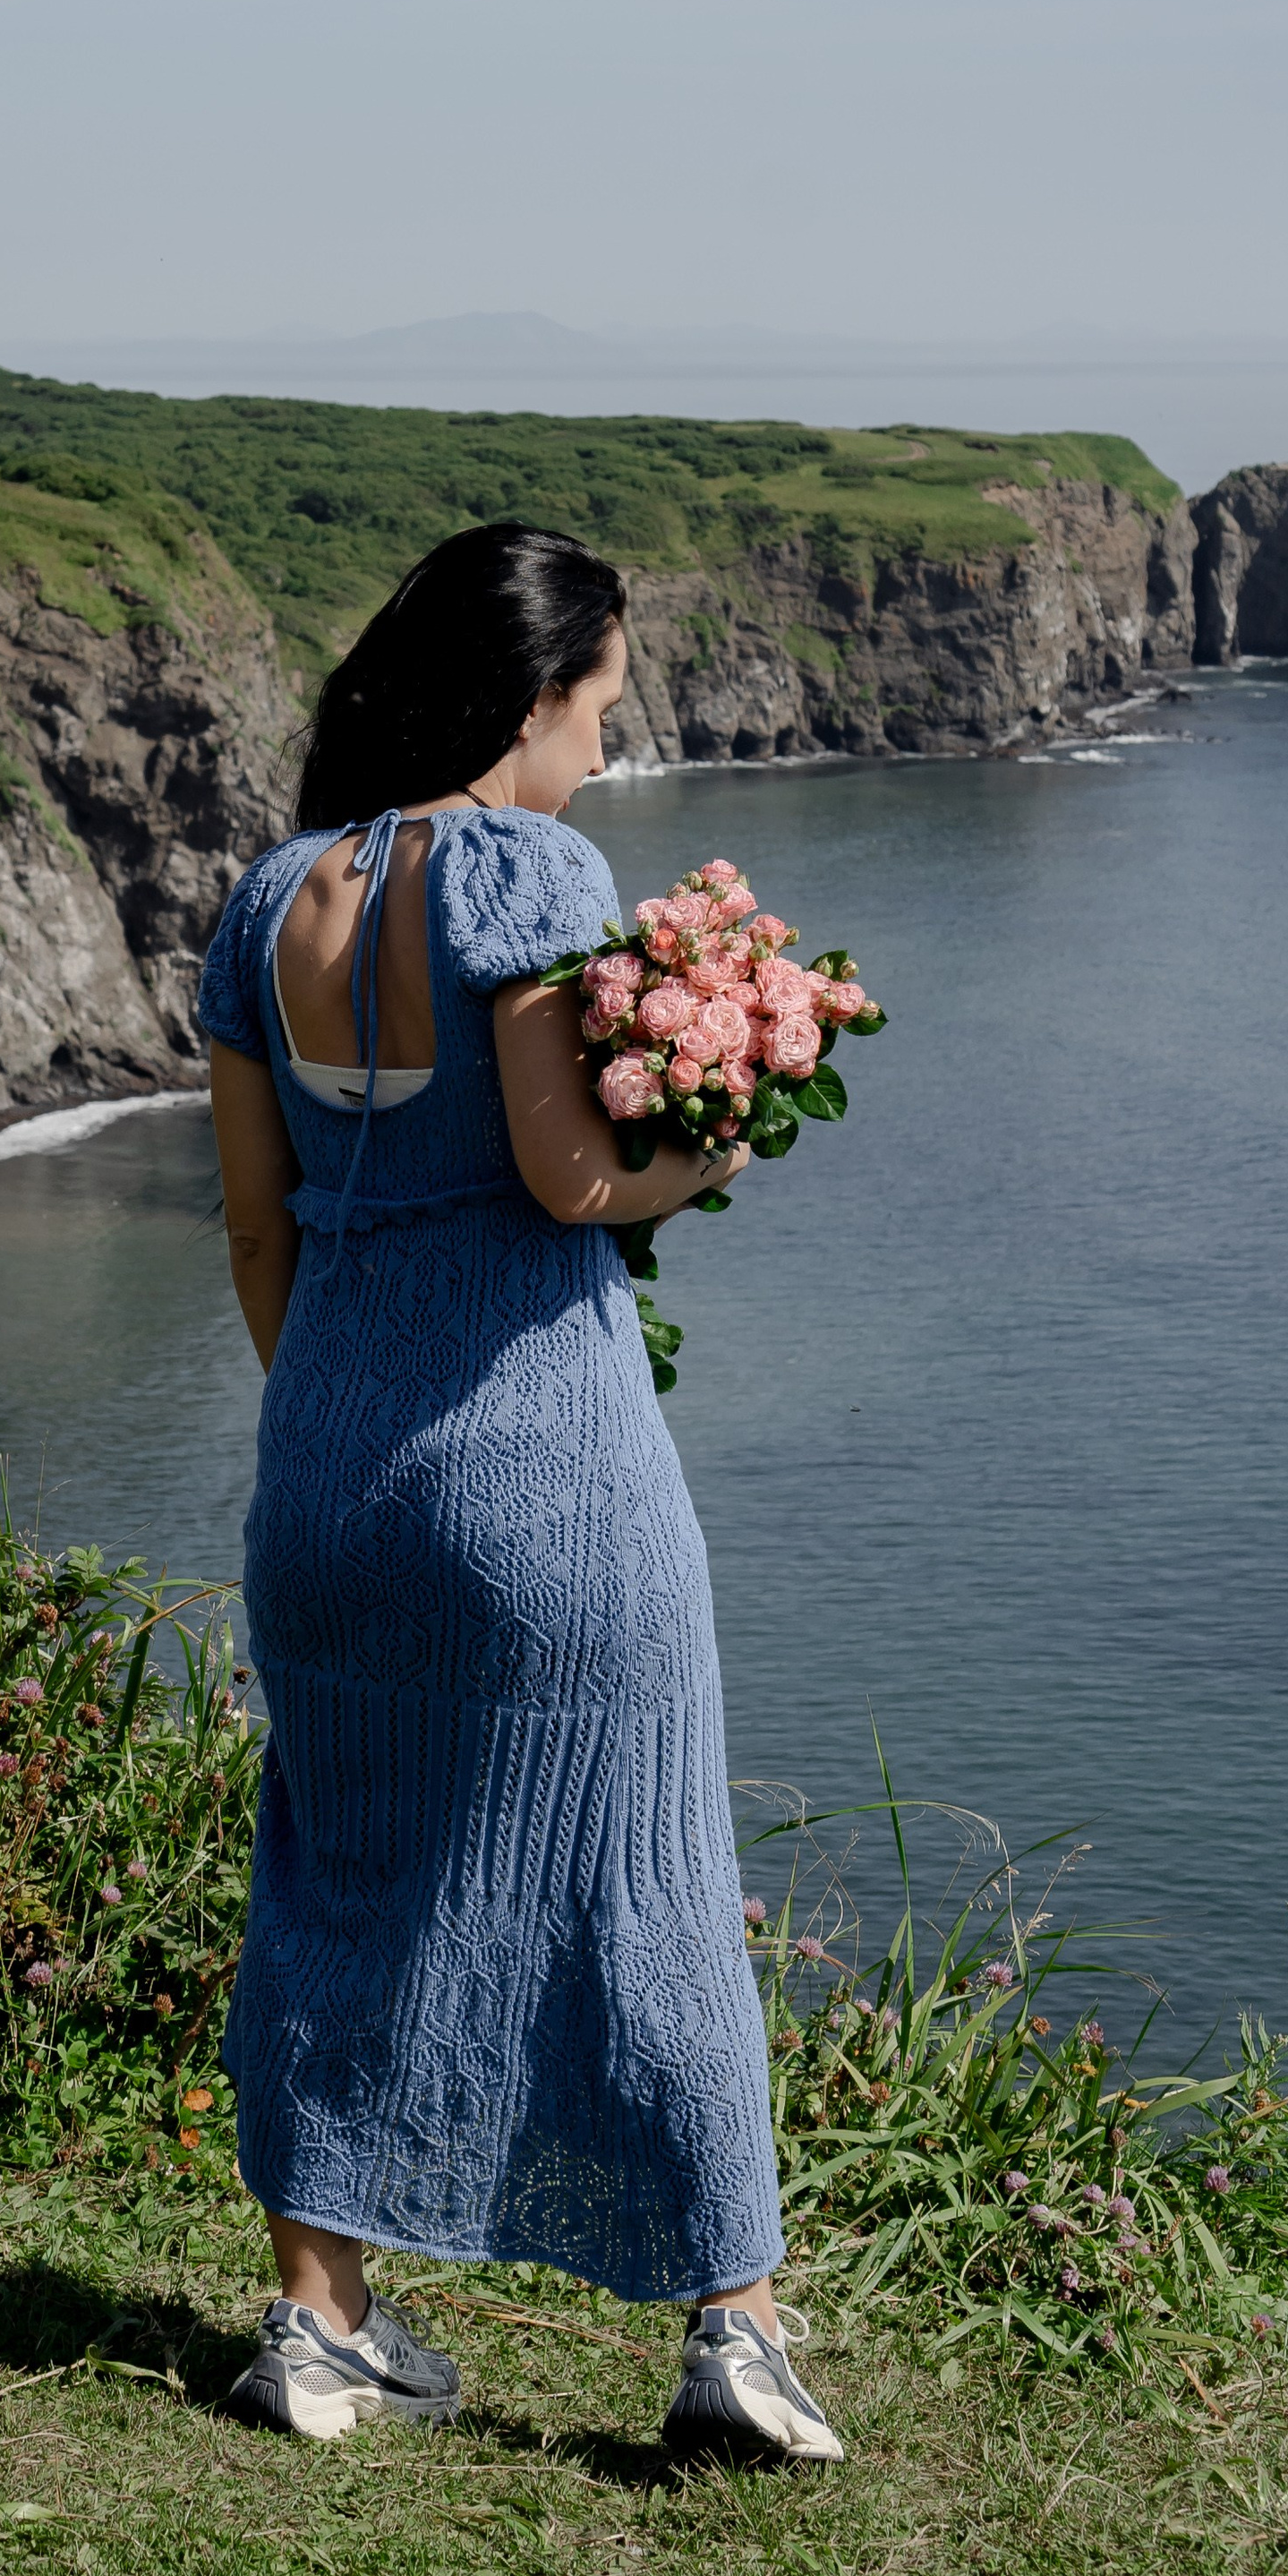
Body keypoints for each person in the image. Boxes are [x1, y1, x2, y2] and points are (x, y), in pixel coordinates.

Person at [197, 521, 841, 2465]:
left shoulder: (266, 896)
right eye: (599, 710)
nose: (602, 751)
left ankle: (318, 2331)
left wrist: (341, 1422)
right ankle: (728, 2336)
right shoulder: (523, 868)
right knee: (641, 1883)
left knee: (337, 1876)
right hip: (537, 1479)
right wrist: (716, 1151)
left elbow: (251, 1228)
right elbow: (570, 1179)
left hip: (322, 1471)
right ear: (527, 699)